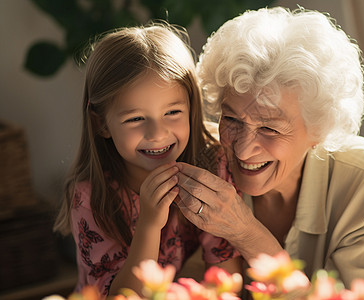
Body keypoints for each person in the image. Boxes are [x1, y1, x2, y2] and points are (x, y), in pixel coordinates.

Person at [174, 7, 364, 299]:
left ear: (319, 129)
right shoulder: (205, 167)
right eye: (231, 120)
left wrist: (246, 233)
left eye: (270, 129)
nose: (242, 147)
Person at [53, 23, 240, 297]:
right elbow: (123, 297)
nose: (157, 133)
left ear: (191, 108)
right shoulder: (90, 198)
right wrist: (150, 224)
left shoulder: (210, 167)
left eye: (172, 112)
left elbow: (225, 275)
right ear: (101, 124)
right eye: (136, 119)